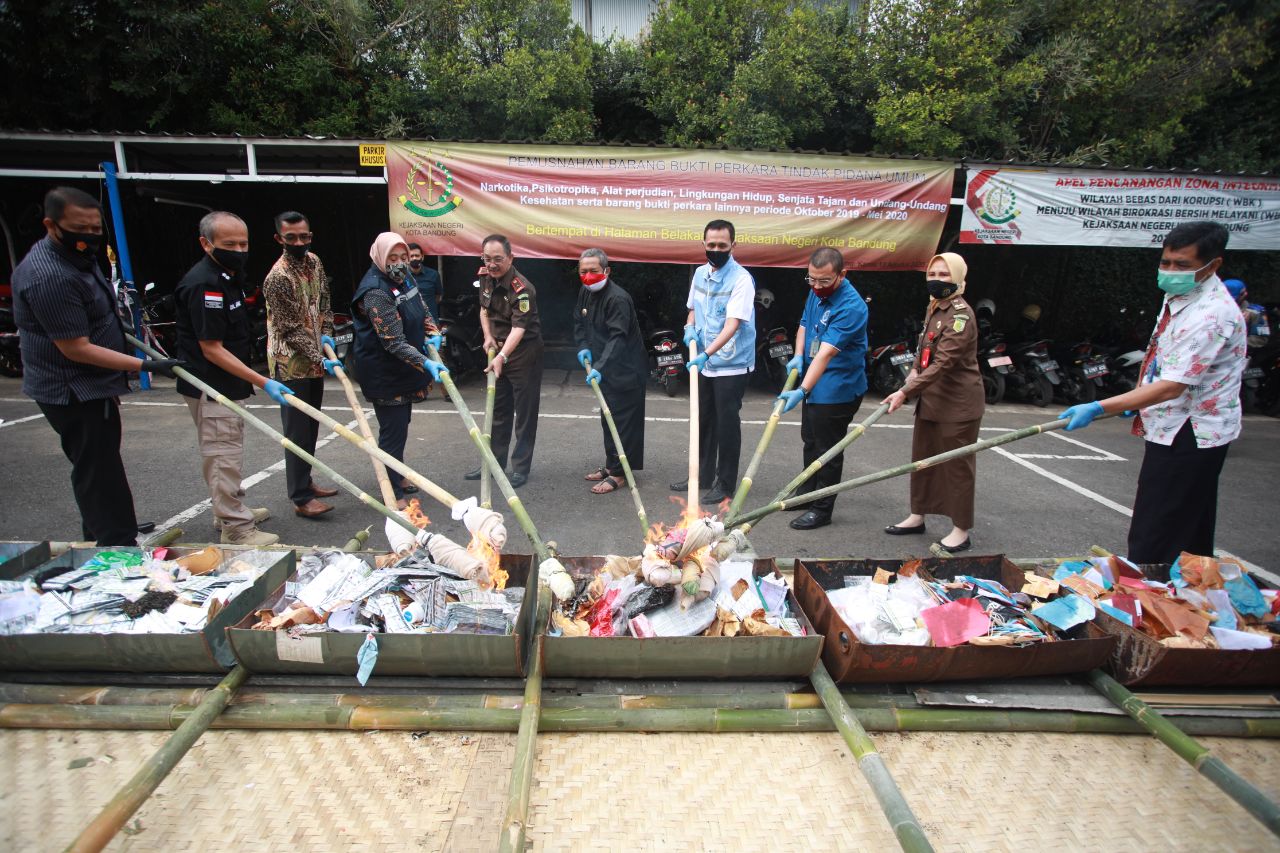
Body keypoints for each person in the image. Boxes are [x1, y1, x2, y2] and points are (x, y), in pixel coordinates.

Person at [1060, 221, 1245, 564]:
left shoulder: (1213, 315)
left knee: (1156, 529)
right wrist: (1138, 394)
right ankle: (1195, 593)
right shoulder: (1180, 295)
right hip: (1172, 421)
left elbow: (1173, 386)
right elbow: (1163, 357)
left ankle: (1144, 599)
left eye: (1183, 265)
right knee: (1190, 526)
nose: (1171, 271)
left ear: (1213, 265)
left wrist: (1100, 407)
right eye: (1166, 262)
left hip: (1192, 431)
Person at [11, 186, 181, 545]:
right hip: (72, 388)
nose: (88, 236)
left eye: (94, 229)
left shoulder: (76, 259)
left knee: (102, 464)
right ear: (51, 224)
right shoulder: (50, 275)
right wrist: (147, 365)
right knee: (98, 469)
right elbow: (77, 349)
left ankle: (108, 526)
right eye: (79, 228)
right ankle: (115, 542)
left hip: (92, 385)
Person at [174, 211, 294, 546]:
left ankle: (227, 508)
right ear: (206, 243)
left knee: (228, 449)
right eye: (230, 244)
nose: (239, 250)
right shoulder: (204, 284)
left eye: (243, 243)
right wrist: (261, 380)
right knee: (222, 454)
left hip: (226, 382)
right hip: (211, 384)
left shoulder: (227, 276)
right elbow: (211, 349)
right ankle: (235, 528)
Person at [883, 252, 984, 553]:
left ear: (958, 278)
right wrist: (912, 372)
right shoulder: (935, 308)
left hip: (958, 404)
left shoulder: (960, 315)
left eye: (944, 275)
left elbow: (942, 364)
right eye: (933, 274)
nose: (936, 280)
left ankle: (961, 531)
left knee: (956, 467)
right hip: (931, 400)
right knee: (923, 461)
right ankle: (917, 516)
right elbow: (923, 348)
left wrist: (905, 392)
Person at [350, 232, 445, 510]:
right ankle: (391, 489)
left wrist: (432, 331)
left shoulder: (404, 277)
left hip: (404, 369)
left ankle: (397, 473)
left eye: (403, 257)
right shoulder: (376, 292)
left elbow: (422, 307)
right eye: (392, 258)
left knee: (401, 425)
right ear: (379, 258)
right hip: (384, 371)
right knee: (392, 430)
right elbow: (393, 342)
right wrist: (426, 362)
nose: (400, 263)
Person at [776, 247, 868, 530]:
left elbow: (826, 353)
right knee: (810, 440)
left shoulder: (851, 306)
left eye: (824, 281)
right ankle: (807, 492)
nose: (816, 286)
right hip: (814, 382)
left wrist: (802, 390)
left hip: (837, 387)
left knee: (827, 451)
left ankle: (822, 508)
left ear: (842, 274)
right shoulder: (817, 290)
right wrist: (798, 355)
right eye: (811, 279)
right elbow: (804, 324)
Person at [671, 219, 756, 505]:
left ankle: (725, 483)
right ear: (703, 245)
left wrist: (707, 353)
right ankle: (701, 475)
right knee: (704, 419)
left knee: (726, 423)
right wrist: (688, 327)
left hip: (731, 362)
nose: (716, 249)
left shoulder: (742, 279)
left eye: (722, 245)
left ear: (733, 245)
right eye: (711, 245)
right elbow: (693, 309)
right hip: (705, 362)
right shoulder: (699, 274)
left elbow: (732, 324)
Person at [261, 210, 339, 519]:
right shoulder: (277, 278)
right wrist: (319, 356)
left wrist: (329, 335)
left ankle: (305, 481)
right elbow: (290, 329)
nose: (298, 242)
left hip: (315, 361)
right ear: (279, 238)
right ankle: (300, 497)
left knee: (311, 427)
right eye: (291, 237)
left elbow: (325, 303)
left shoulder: (315, 262)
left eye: (304, 236)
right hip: (290, 365)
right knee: (297, 432)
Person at [466, 234, 544, 488]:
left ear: (511, 258)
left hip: (524, 354)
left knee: (524, 413)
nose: (492, 264)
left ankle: (520, 467)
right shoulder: (485, 277)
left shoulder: (523, 289)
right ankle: (493, 463)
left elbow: (519, 330)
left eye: (498, 259)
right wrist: (488, 337)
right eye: (487, 259)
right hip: (498, 350)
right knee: (498, 410)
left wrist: (502, 355)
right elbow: (484, 309)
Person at [573, 248, 648, 495]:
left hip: (626, 370)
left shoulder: (617, 299)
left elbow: (618, 338)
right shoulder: (586, 292)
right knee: (608, 419)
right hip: (604, 368)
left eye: (593, 271)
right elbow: (579, 323)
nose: (588, 276)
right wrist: (583, 346)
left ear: (606, 271)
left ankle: (619, 474)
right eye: (583, 271)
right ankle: (611, 464)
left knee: (623, 423)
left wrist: (600, 367)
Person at [1223, 277, 1270, 350]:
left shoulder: (1255, 312)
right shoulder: (1213, 308)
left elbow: (1261, 339)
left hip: (1240, 355)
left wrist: (1234, 343)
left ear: (1243, 294)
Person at [407, 242, 442, 322]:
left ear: (422, 257)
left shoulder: (433, 274)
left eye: (417, 255)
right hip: (410, 320)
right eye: (411, 256)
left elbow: (438, 296)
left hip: (431, 319)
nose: (414, 258)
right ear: (407, 258)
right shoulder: (402, 276)